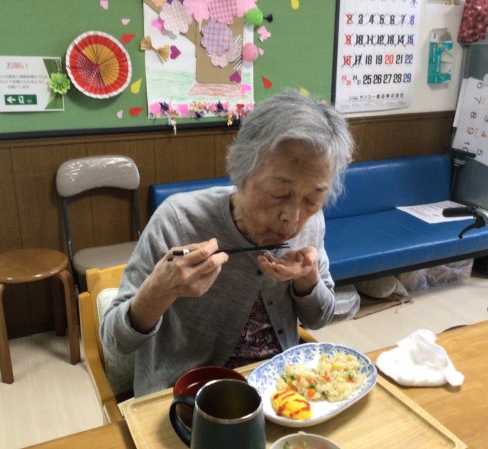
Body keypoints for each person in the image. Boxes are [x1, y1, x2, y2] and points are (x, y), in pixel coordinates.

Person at [100, 89, 355, 396]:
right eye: (279, 193)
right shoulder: (178, 220)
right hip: (188, 396)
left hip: (281, 389)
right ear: (239, 170)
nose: (293, 217)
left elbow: (319, 318)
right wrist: (158, 292)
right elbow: (115, 341)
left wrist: (307, 278)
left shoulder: (312, 223)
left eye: (313, 199)